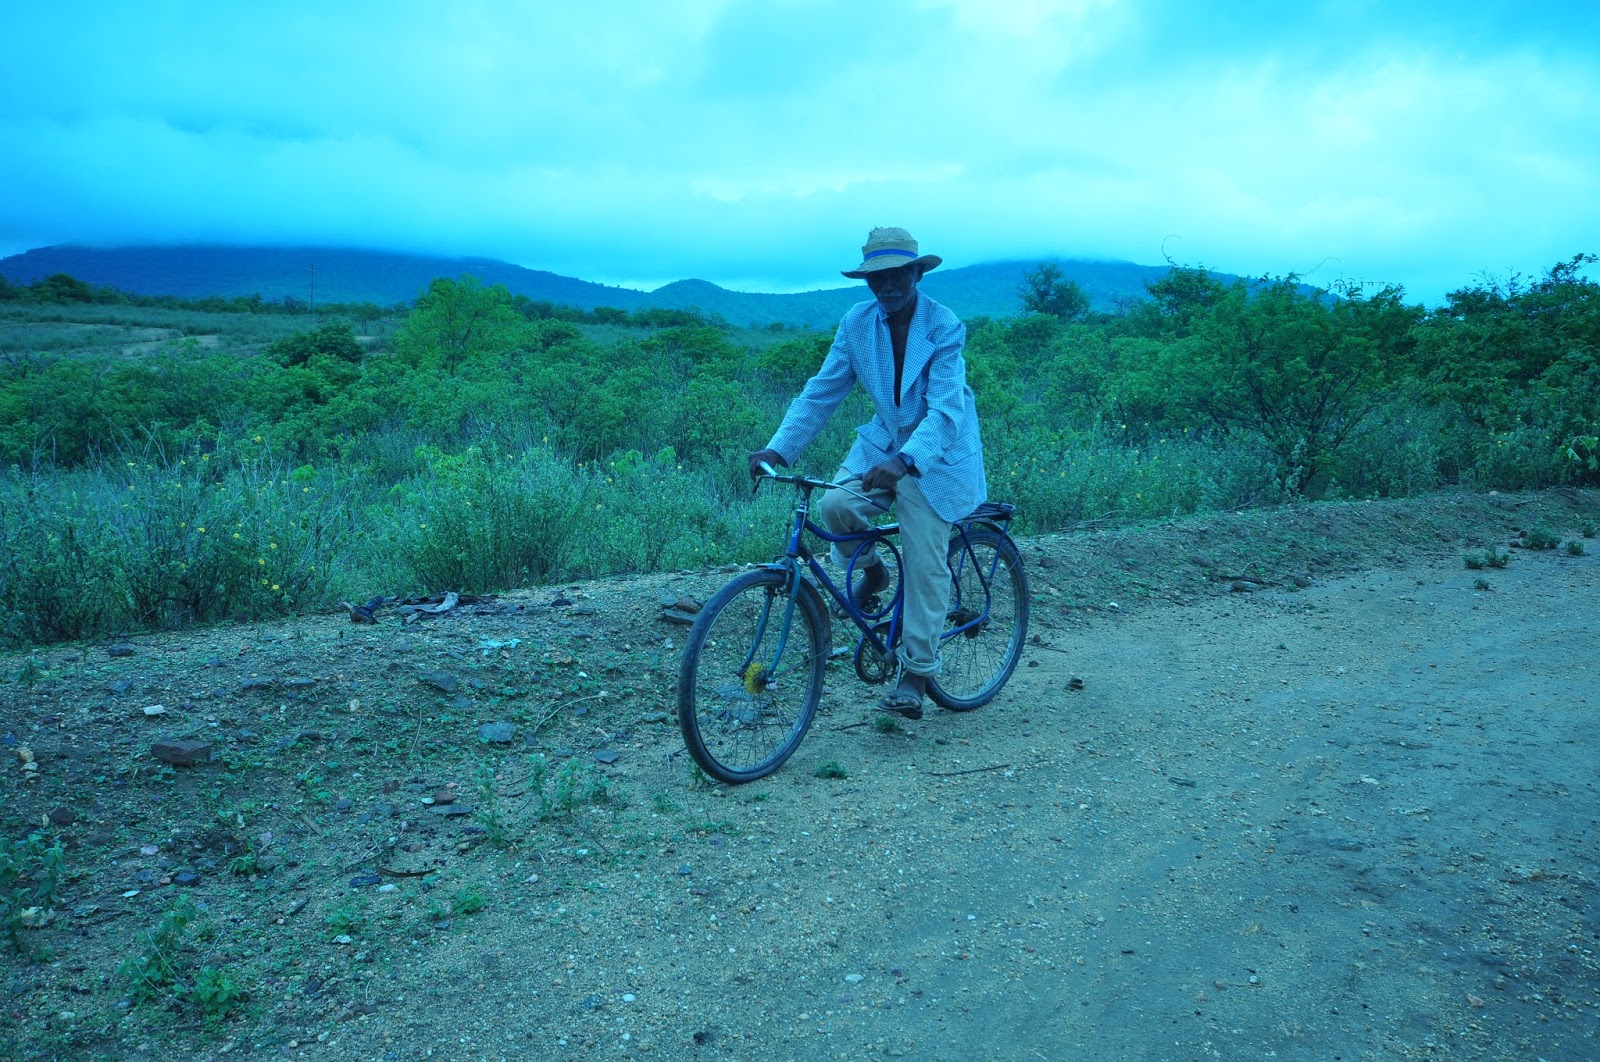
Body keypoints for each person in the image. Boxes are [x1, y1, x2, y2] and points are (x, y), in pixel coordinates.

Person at [748, 227, 986, 720]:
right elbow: (822, 391)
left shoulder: (943, 326)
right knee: (835, 504)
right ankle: (873, 570)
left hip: (939, 456)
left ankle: (918, 671)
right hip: (884, 445)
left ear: (917, 272)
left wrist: (907, 463)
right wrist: (778, 447)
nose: (887, 285)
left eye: (897, 273)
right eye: (876, 277)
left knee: (924, 558)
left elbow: (945, 410)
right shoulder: (858, 324)